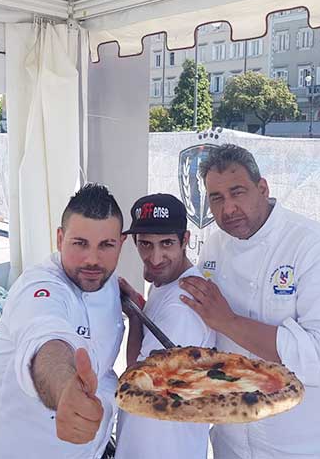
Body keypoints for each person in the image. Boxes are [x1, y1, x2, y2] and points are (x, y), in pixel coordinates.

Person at [178, 144, 320, 459]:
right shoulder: (214, 248)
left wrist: (228, 322)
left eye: (238, 193)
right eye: (217, 198)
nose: (229, 208)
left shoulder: (312, 248)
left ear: (263, 188)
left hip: (309, 442)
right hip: (233, 438)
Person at [0, 184, 127, 459]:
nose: (92, 259)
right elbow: (44, 337)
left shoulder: (107, 282)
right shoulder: (39, 286)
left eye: (106, 245)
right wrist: (65, 390)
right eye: (79, 244)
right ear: (60, 239)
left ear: (121, 243)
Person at [114, 193, 215, 459]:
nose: (155, 257)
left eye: (166, 243)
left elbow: (139, 376)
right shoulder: (167, 283)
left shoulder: (184, 305)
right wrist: (140, 304)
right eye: (145, 244)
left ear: (185, 240)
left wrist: (136, 315)